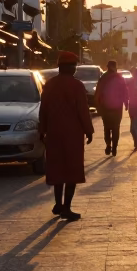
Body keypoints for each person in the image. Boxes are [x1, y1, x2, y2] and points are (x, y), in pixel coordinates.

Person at [40, 51, 94, 221]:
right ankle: (67, 208)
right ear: (70, 68)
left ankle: (58, 204)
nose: (75, 69)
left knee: (57, 170)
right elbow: (83, 111)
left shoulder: (49, 85)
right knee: (72, 171)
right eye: (74, 66)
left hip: (54, 133)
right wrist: (89, 130)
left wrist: (42, 130)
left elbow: (43, 110)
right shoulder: (77, 86)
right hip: (73, 135)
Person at [96, 60, 129, 156]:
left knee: (107, 128)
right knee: (116, 128)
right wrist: (126, 103)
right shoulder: (119, 77)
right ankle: (114, 148)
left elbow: (98, 92)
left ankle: (108, 145)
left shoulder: (103, 77)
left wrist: (98, 105)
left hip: (105, 108)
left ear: (107, 67)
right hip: (117, 108)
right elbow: (125, 91)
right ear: (115, 67)